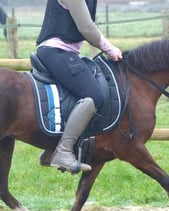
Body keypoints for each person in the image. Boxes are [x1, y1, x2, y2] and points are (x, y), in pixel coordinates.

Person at [36, 0, 122, 173]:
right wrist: (110, 49)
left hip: (64, 52)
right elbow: (86, 28)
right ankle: (63, 152)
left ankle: (51, 149)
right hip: (57, 51)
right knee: (93, 95)